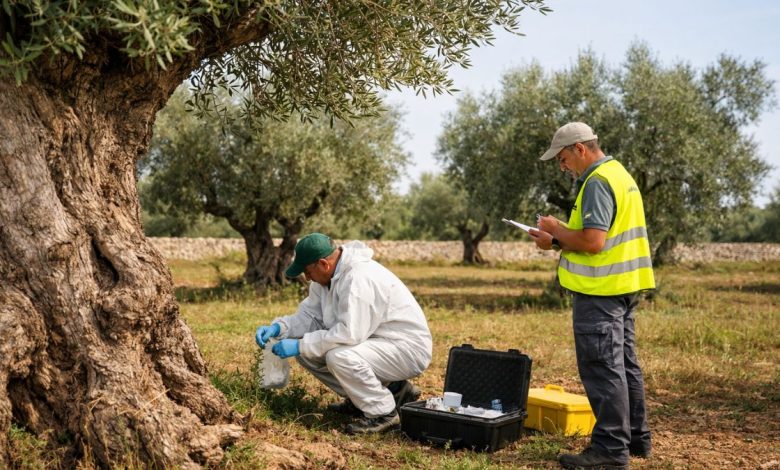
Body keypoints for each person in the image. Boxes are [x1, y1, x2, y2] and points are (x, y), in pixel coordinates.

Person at [529, 122, 655, 470]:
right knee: (625, 366)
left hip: (600, 291)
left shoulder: (598, 182)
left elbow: (593, 241)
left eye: (564, 158)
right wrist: (555, 242)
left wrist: (554, 230)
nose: (562, 166)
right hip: (623, 288)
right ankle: (636, 440)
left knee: (602, 369)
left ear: (580, 149)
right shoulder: (620, 175)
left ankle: (610, 452)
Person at [254, 233, 432, 434]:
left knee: (338, 356)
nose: (307, 277)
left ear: (323, 264)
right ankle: (391, 391)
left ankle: (384, 414)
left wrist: (300, 344)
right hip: (375, 341)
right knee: (307, 353)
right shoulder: (325, 279)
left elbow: (349, 334)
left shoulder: (358, 278)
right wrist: (281, 327)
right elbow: (310, 316)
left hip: (406, 348)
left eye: (307, 271)